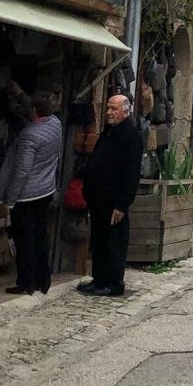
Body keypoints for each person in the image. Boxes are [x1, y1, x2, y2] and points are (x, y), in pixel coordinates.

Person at [0, 89, 62, 295]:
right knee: (40, 234)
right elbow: (39, 106)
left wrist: (10, 200)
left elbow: (22, 171)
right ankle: (44, 278)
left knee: (25, 240)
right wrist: (21, 92)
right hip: (46, 189)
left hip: (27, 194)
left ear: (33, 111)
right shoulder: (55, 125)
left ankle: (26, 282)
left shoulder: (29, 136)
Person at [79, 91, 143, 297]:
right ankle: (99, 279)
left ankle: (114, 283)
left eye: (113, 109)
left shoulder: (131, 135)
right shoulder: (109, 132)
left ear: (125, 112)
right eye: (108, 108)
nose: (109, 112)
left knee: (113, 242)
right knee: (99, 240)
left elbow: (131, 172)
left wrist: (122, 204)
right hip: (98, 198)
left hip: (114, 200)